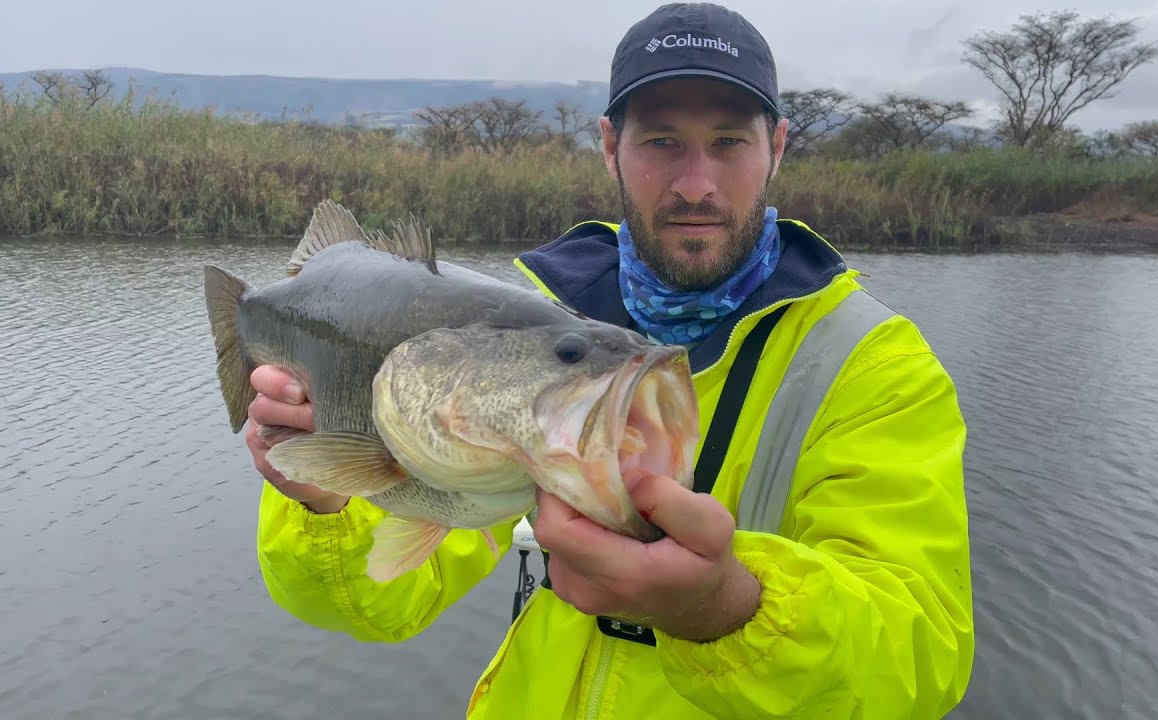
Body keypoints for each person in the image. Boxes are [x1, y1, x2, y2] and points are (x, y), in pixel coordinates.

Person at [245, 3, 974, 718]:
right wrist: (322, 498)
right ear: (608, 147)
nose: (696, 183)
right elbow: (374, 604)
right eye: (661, 141)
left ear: (777, 148)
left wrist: (722, 607)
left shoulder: (875, 366)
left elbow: (920, 661)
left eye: (728, 142)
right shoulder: (528, 325)